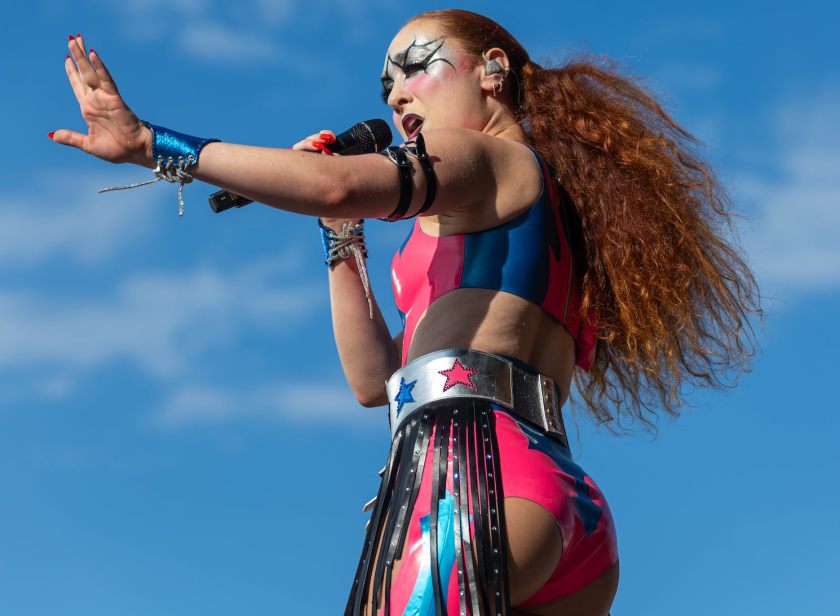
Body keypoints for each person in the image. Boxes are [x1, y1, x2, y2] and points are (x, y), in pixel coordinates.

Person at [52, 9, 760, 616]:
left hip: (473, 473)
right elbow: (374, 381)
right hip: (558, 497)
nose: (397, 95)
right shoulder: (529, 210)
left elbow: (333, 186)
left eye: (416, 68)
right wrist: (341, 236)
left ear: (492, 71)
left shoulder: (487, 157)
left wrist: (154, 145)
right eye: (387, 86)